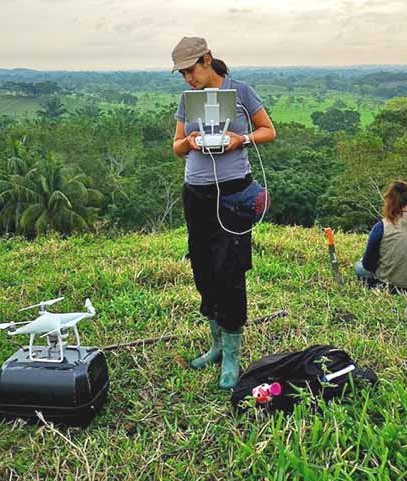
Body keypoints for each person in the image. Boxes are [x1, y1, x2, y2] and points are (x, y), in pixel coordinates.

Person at [171, 37, 276, 389]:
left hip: (233, 194)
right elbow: (176, 146)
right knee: (203, 268)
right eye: (182, 74)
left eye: (191, 70)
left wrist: (240, 139)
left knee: (230, 271)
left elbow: (269, 131)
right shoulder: (187, 100)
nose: (188, 79)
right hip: (196, 194)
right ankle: (215, 345)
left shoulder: (240, 92)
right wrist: (189, 142)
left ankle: (232, 355)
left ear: (207, 59)